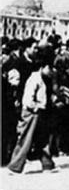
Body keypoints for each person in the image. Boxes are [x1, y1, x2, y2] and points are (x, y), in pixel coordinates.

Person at [7, 45, 57, 174]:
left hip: (39, 112)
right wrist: (36, 107)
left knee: (41, 139)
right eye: (49, 68)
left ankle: (48, 164)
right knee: (25, 139)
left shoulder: (45, 79)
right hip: (31, 113)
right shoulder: (35, 78)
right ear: (43, 67)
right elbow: (27, 99)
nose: (51, 71)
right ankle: (15, 166)